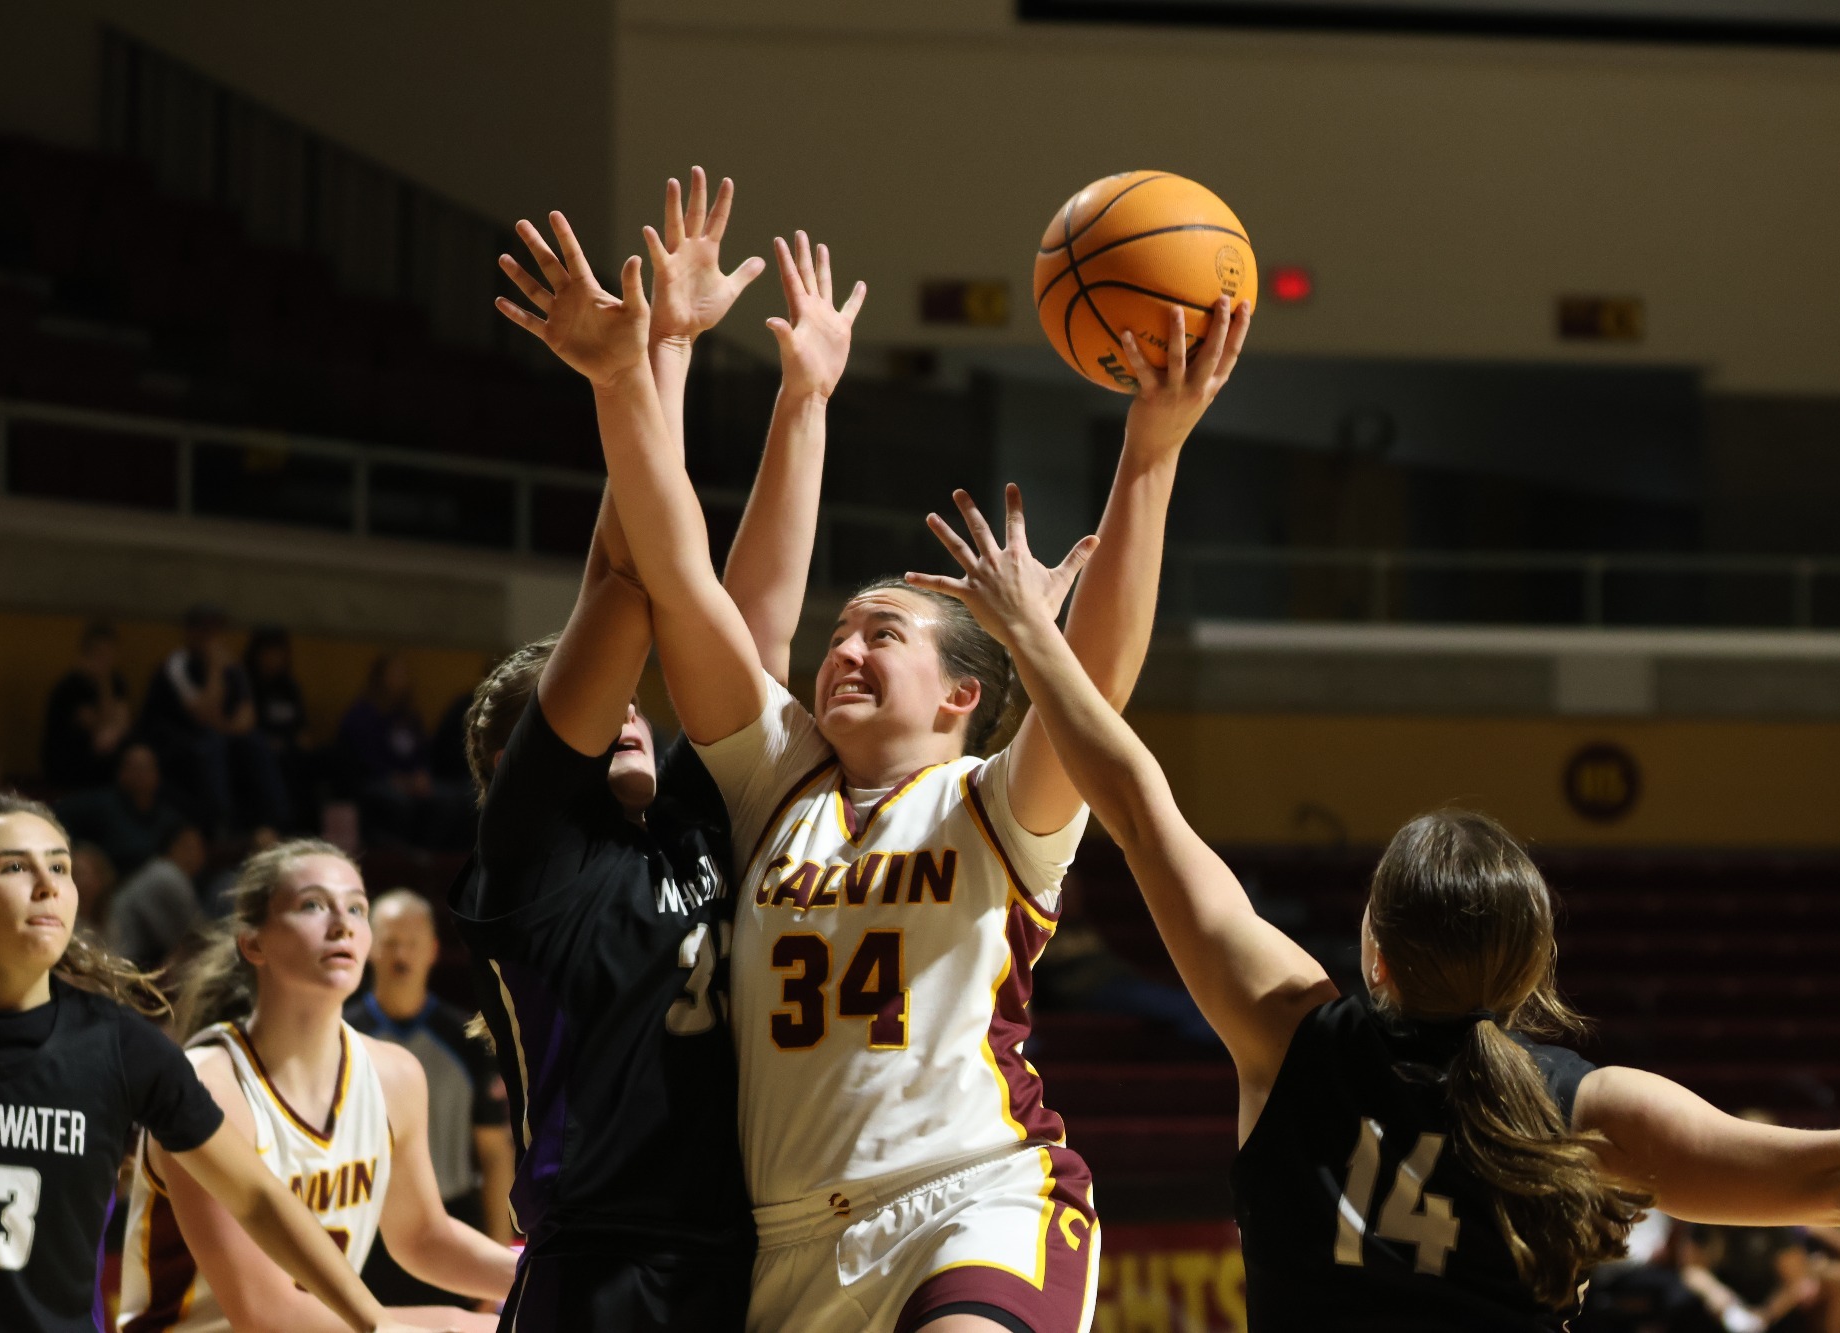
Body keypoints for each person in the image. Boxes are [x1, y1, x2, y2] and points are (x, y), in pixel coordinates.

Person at [903, 482, 1840, 1333]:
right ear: (1528, 970)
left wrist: (1033, 639)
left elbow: (1136, 807)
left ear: (1372, 952)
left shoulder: (1289, 1032)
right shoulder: (1585, 1109)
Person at [496, 181, 1250, 1329]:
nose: (841, 647)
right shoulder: (771, 787)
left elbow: (1090, 692)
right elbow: (682, 579)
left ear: (962, 691)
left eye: (880, 633)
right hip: (792, 1244)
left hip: (975, 1195)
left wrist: (1150, 449)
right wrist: (640, 371)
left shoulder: (996, 805)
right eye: (837, 632)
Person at [458, 170, 831, 1332]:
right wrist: (651, 357)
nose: (632, 711)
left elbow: (748, 625)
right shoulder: (530, 859)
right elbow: (630, 579)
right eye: (602, 704)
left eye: (635, 706)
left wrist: (802, 397)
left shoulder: (688, 817)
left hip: (741, 1256)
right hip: (601, 1268)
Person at [0, 793, 447, 1333]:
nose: (48, 885)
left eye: (60, 866)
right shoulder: (214, 1068)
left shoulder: (117, 1046)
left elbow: (257, 1197)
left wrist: (374, 1323)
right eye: (14, 866)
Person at [118, 839, 515, 1331]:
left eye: (356, 907)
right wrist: (453, 1326)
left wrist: (546, 1278)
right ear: (253, 942)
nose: (342, 923)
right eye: (312, 905)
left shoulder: (395, 1075)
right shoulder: (210, 1085)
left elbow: (420, 1236)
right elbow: (266, 1314)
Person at [345, 890, 513, 1307]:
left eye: (413, 942)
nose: (401, 954)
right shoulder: (336, 1035)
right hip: (362, 1234)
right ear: (368, 947)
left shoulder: (469, 1040)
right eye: (389, 941)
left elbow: (494, 1155)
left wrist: (494, 1261)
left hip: (451, 1225)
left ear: (433, 951)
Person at [139, 604, 290, 835]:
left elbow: (247, 719)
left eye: (217, 631)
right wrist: (215, 668)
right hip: (176, 741)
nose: (213, 638)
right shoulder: (176, 666)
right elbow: (202, 715)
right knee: (212, 744)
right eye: (206, 631)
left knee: (256, 743)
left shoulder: (233, 667)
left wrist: (224, 727)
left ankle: (275, 821)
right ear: (190, 632)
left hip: (218, 736)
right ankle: (220, 825)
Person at [337, 656, 463, 849]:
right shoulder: (362, 714)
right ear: (380, 678)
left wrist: (422, 774)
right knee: (399, 803)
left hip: (410, 781)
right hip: (377, 781)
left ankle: (427, 855)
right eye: (395, 673)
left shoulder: (408, 716)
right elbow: (364, 760)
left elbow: (422, 752)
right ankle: (400, 857)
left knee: (453, 798)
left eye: (403, 674)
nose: (402, 679)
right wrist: (399, 780)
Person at [54, 742, 187, 879]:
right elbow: (55, 818)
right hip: (112, 888)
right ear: (121, 772)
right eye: (135, 768)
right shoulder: (100, 805)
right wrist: (82, 854)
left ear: (158, 774)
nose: (140, 775)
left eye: (146, 768)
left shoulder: (169, 818)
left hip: (151, 887)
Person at [41, 620, 132, 790]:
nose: (105, 659)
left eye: (109, 652)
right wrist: (102, 683)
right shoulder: (70, 687)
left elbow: (122, 723)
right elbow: (98, 726)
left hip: (104, 754)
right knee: (103, 746)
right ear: (87, 653)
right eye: (99, 653)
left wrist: (105, 683)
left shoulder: (117, 682)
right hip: (70, 760)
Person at [104, 823, 207, 971]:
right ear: (174, 846)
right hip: (123, 965)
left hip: (125, 960)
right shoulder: (168, 874)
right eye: (191, 846)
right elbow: (196, 935)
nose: (199, 853)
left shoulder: (160, 871)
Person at [246, 625, 315, 829]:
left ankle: (307, 828)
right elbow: (248, 725)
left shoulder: (290, 688)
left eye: (280, 653)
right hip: (260, 748)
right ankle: (277, 821)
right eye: (270, 652)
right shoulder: (249, 684)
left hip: (290, 748)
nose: (275, 658)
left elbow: (303, 729)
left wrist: (296, 740)